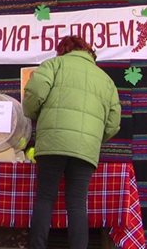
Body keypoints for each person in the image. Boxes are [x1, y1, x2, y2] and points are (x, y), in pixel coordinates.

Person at [22, 35, 121, 249]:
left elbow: (35, 93)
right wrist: (91, 138)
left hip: (52, 144)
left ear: (63, 50)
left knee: (45, 199)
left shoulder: (54, 65)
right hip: (85, 150)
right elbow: (113, 123)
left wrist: (31, 113)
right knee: (77, 204)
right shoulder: (105, 80)